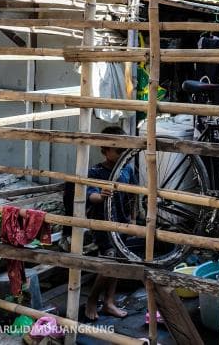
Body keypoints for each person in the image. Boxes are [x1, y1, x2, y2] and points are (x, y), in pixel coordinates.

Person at [82, 125, 134, 321]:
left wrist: (134, 217)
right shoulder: (95, 172)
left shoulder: (128, 169)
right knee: (109, 261)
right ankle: (92, 300)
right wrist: (101, 196)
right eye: (118, 151)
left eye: (125, 151)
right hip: (103, 223)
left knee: (118, 261)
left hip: (122, 221)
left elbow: (134, 194)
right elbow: (90, 196)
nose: (122, 155)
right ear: (104, 150)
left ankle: (109, 302)